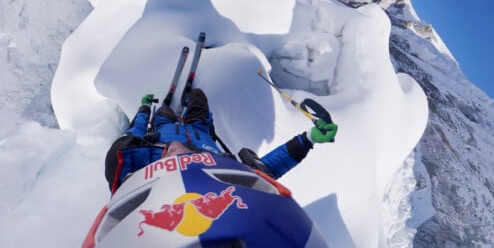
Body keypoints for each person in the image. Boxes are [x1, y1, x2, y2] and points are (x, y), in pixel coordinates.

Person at [104, 88, 338, 193]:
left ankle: (177, 105)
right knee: (198, 97)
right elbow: (265, 173)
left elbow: (135, 132)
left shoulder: (134, 168)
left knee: (165, 111)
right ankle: (189, 98)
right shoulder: (222, 179)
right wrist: (307, 139)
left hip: (163, 128)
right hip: (198, 130)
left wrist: (145, 108)